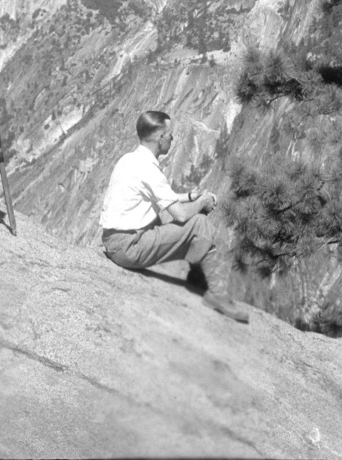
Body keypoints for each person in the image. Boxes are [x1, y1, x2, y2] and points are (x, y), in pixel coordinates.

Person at [98, 109, 250, 322]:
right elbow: (179, 215)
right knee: (198, 222)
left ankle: (198, 277)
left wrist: (190, 196)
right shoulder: (148, 169)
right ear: (160, 138)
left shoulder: (130, 159)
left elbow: (161, 196)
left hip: (113, 240)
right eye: (170, 135)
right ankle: (215, 294)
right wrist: (202, 202)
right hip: (129, 247)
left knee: (169, 218)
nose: (172, 138)